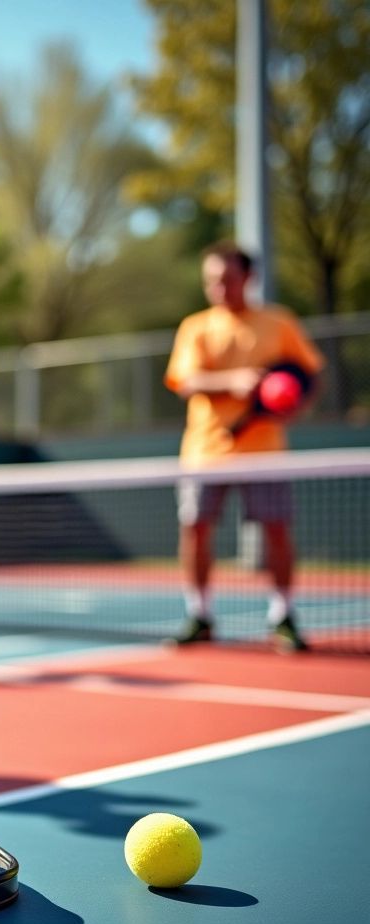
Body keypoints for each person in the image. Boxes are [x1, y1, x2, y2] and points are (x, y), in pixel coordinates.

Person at [164, 240, 324, 652]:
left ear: (248, 278)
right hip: (204, 452)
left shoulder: (279, 322)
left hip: (265, 454)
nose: (219, 288)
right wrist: (234, 381)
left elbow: (309, 374)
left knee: (277, 530)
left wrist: (290, 404)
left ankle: (282, 616)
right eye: (211, 281)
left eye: (227, 279)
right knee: (195, 529)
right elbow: (186, 381)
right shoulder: (194, 327)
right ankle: (199, 615)